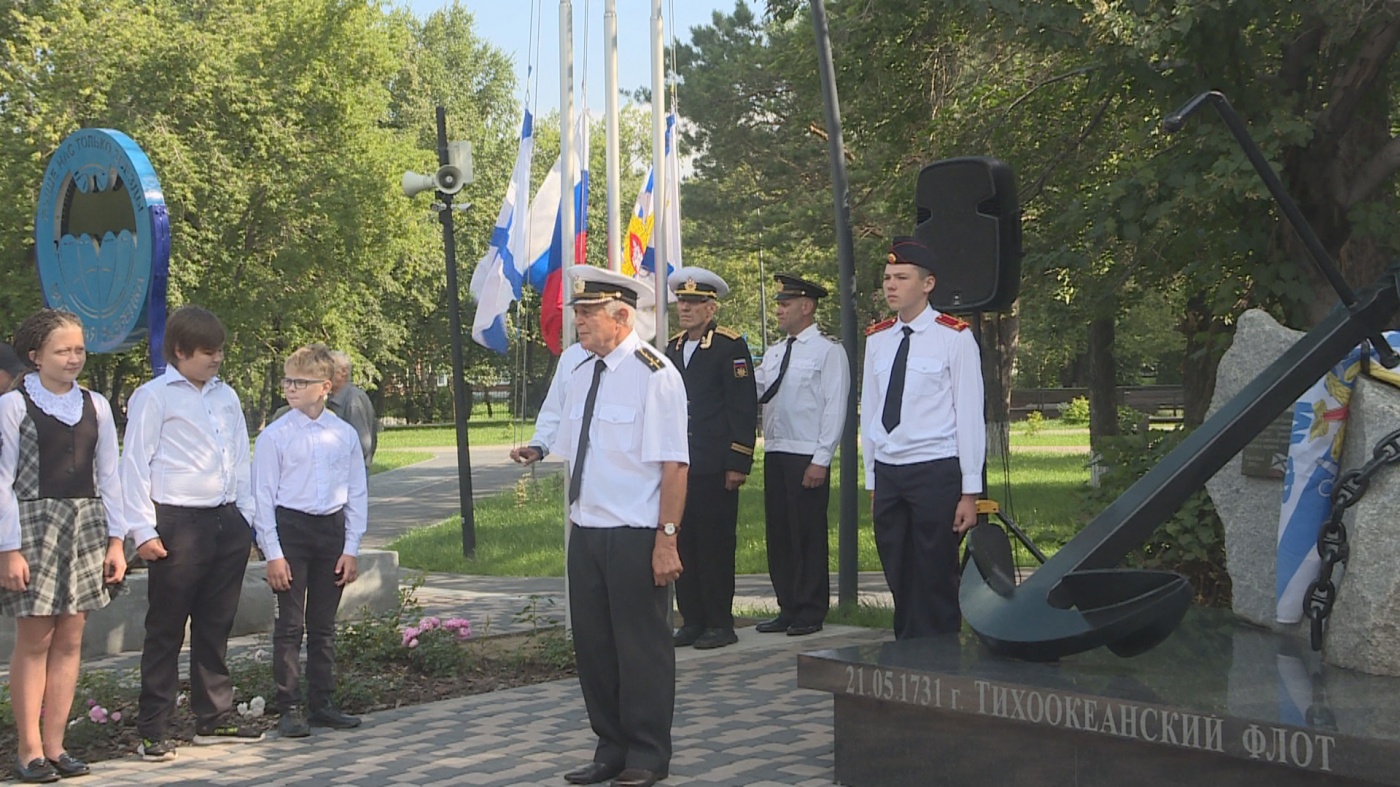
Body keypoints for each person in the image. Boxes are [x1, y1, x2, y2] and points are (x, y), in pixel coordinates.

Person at [554, 266, 688, 787]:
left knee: (641, 650)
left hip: (635, 532)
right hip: (586, 528)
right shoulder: (583, 370)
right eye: (578, 314)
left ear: (622, 316)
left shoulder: (656, 375)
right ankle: (610, 746)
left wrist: (667, 539)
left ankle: (648, 754)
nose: (579, 323)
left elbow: (675, 465)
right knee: (595, 647)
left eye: (589, 314)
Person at [121, 306, 264, 761]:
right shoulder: (155, 395)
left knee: (215, 623)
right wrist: (142, 530)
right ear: (180, 351)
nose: (216, 359)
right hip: (177, 523)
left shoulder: (227, 396)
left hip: (226, 521)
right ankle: (154, 727)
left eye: (220, 350)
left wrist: (251, 523)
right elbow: (134, 465)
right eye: (207, 351)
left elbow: (240, 460)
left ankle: (214, 717)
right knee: (166, 628)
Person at [0, 310, 127, 783]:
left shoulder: (96, 405)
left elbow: (110, 477)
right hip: (32, 525)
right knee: (35, 639)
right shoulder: (14, 406)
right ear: (35, 356)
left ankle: (56, 745)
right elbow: (2, 480)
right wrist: (7, 549)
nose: (73, 358)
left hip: (86, 525)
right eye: (62, 350)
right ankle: (28, 749)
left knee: (71, 638)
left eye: (78, 349)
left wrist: (117, 540)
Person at [860, 237, 985, 640]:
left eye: (901, 277)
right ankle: (909, 650)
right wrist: (873, 478)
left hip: (934, 468)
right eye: (887, 277)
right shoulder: (878, 339)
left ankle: (940, 655)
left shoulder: (954, 337)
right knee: (897, 566)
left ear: (928, 284)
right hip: (891, 469)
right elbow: (872, 412)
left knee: (934, 569)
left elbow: (969, 416)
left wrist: (970, 491)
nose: (890, 285)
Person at [252, 344, 367, 738]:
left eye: (300, 382)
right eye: (287, 381)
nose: (290, 388)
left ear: (325, 387)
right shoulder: (276, 436)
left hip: (330, 531)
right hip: (291, 531)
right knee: (290, 625)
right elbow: (263, 497)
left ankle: (322, 703)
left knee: (323, 625)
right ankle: (290, 706)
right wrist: (273, 553)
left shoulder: (343, 434)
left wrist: (351, 547)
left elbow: (356, 492)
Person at [664, 269, 757, 650]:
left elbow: (741, 405)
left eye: (694, 303)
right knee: (683, 543)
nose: (685, 309)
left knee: (715, 544)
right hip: (680, 464)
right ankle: (693, 619)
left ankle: (720, 621)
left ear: (711, 307)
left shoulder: (729, 346)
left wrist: (738, 460)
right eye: (682, 303)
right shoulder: (671, 348)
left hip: (715, 463)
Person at [753, 274, 849, 637]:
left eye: (785, 304)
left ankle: (811, 608)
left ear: (806, 307)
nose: (778, 309)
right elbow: (759, 386)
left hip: (806, 453)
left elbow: (833, 406)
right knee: (779, 532)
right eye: (779, 303)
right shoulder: (777, 351)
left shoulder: (828, 351)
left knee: (807, 533)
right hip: (777, 450)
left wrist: (822, 458)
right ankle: (787, 606)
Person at [327, 351, 377, 469]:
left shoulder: (353, 400)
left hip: (350, 472)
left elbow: (362, 444)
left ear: (344, 372)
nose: (323, 374)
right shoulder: (334, 398)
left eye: (328, 369)